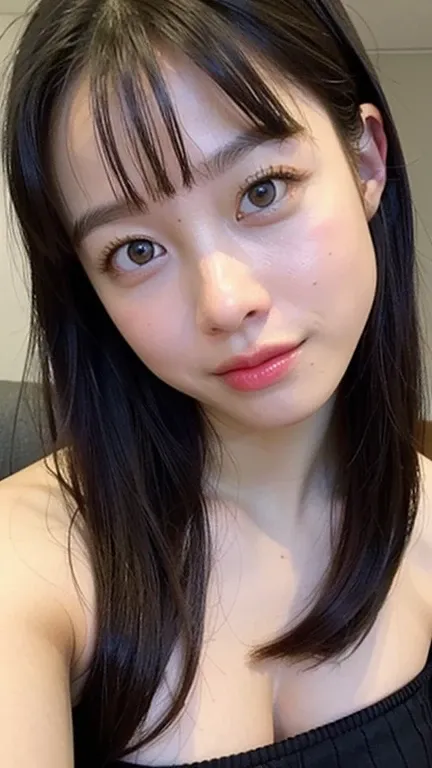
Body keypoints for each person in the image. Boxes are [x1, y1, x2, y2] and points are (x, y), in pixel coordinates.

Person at [1, 0, 432, 765]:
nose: (225, 302)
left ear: (367, 163)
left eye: (263, 190)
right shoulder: (29, 562)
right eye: (136, 250)